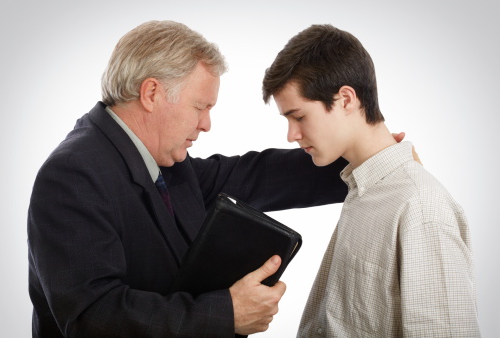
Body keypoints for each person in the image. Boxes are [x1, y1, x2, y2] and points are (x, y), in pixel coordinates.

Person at [27, 20, 355, 337]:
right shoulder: (72, 174)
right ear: (151, 93)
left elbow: (257, 176)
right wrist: (227, 314)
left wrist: (363, 157)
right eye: (200, 106)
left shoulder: (165, 163)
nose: (206, 124)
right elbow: (92, 318)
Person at [262, 24, 480, 337]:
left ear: (346, 99)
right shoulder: (362, 188)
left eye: (299, 117)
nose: (292, 135)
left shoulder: (420, 206)